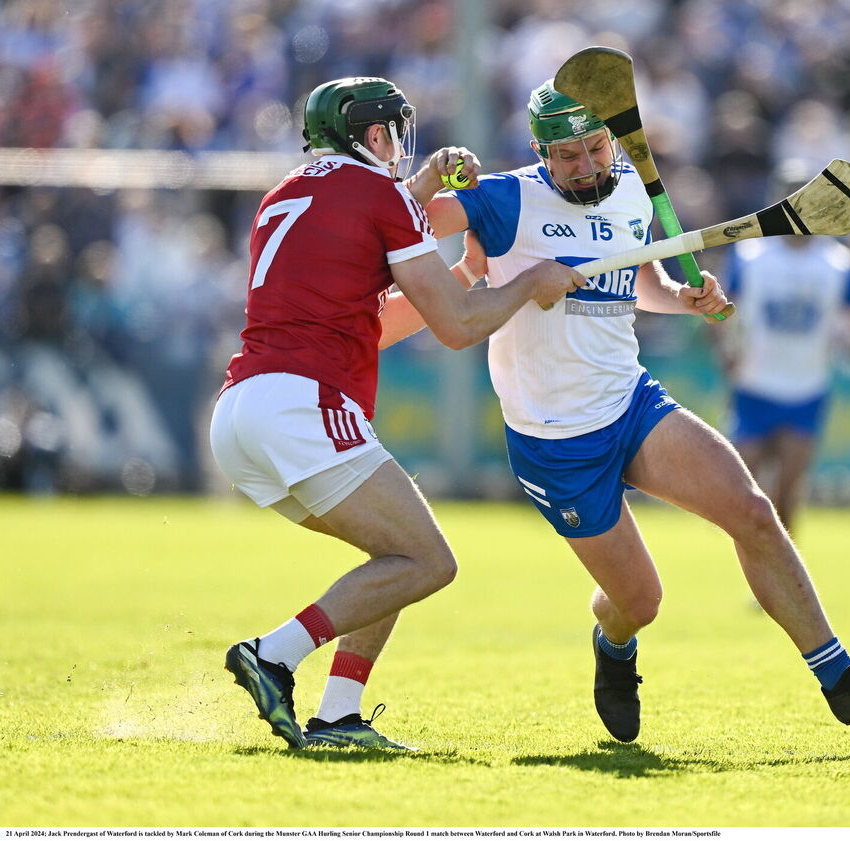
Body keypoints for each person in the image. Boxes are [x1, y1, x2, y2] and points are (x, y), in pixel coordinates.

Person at [424, 80, 850, 742]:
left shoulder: (631, 189)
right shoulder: (504, 198)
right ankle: (613, 645)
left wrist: (680, 298)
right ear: (539, 153)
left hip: (629, 399)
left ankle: (840, 676)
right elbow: (402, 224)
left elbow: (635, 281)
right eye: (565, 155)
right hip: (554, 438)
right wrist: (432, 174)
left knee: (752, 511)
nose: (583, 166)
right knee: (639, 602)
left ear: (610, 141)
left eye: (593, 148)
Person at [210, 77, 583, 750]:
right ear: (373, 134)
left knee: (392, 554)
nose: (401, 147)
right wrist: (529, 281)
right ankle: (274, 653)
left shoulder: (285, 194)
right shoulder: (378, 196)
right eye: (394, 132)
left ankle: (338, 714)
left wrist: (461, 257)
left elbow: (377, 318)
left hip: (241, 411)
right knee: (427, 559)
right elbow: (460, 328)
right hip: (305, 402)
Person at [712, 161, 850, 534]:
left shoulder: (838, 262)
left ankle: (783, 581)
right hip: (754, 384)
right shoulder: (750, 255)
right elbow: (719, 311)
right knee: (745, 491)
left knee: (788, 491)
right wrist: (726, 350)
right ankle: (761, 570)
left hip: (807, 386)